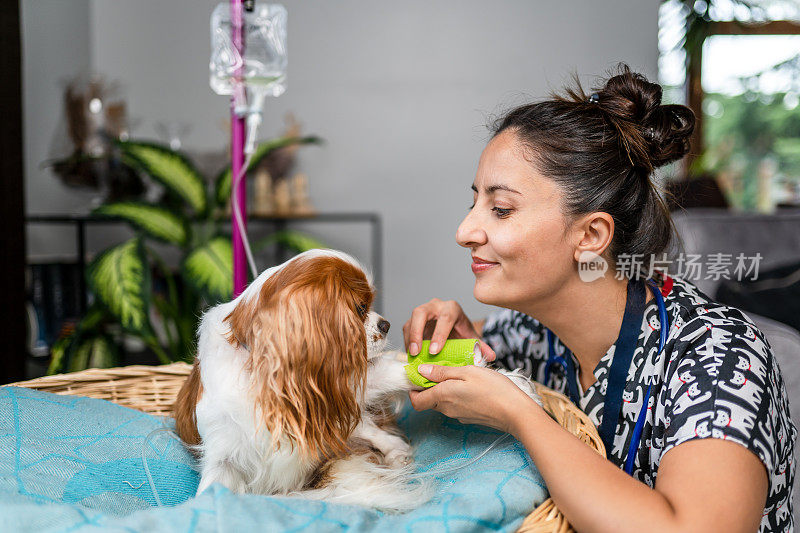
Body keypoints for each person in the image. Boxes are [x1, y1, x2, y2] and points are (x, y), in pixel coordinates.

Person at [403, 64, 796, 532]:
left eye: (501, 209)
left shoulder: (720, 356)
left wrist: (519, 414)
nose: (465, 231)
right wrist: (463, 343)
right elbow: (472, 359)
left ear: (591, 234)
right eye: (474, 204)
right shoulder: (528, 335)